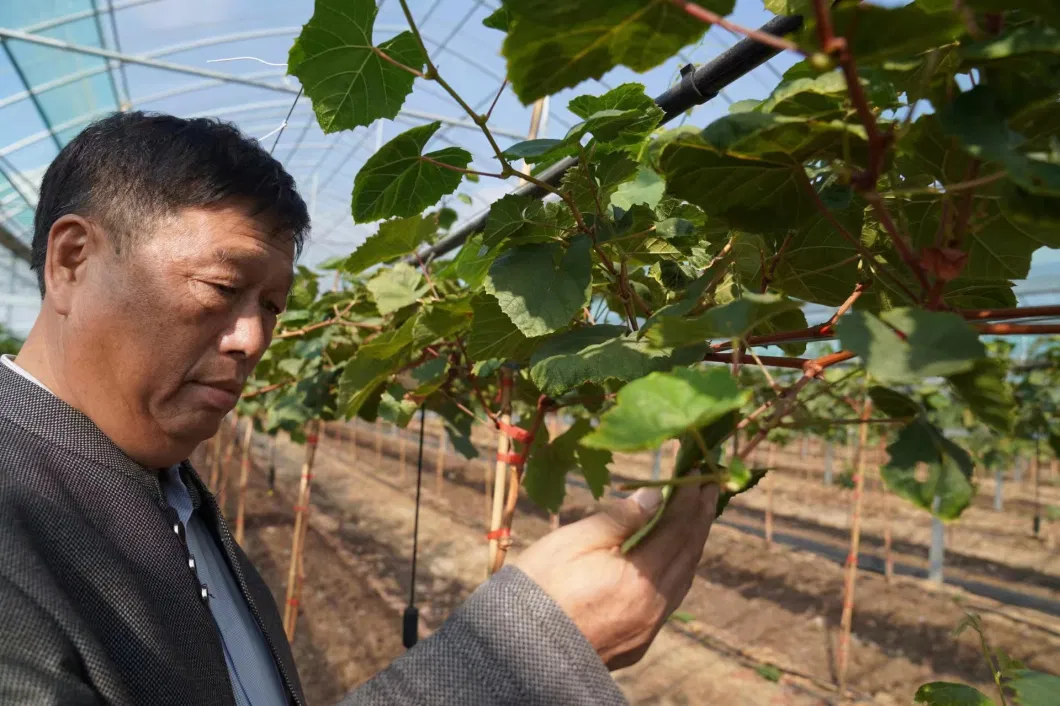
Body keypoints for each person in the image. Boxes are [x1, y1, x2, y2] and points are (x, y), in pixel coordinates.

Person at [0, 112, 719, 706]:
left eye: (273, 306)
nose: (254, 339)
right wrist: (520, 659)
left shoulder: (168, 487)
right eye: (222, 287)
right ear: (71, 261)